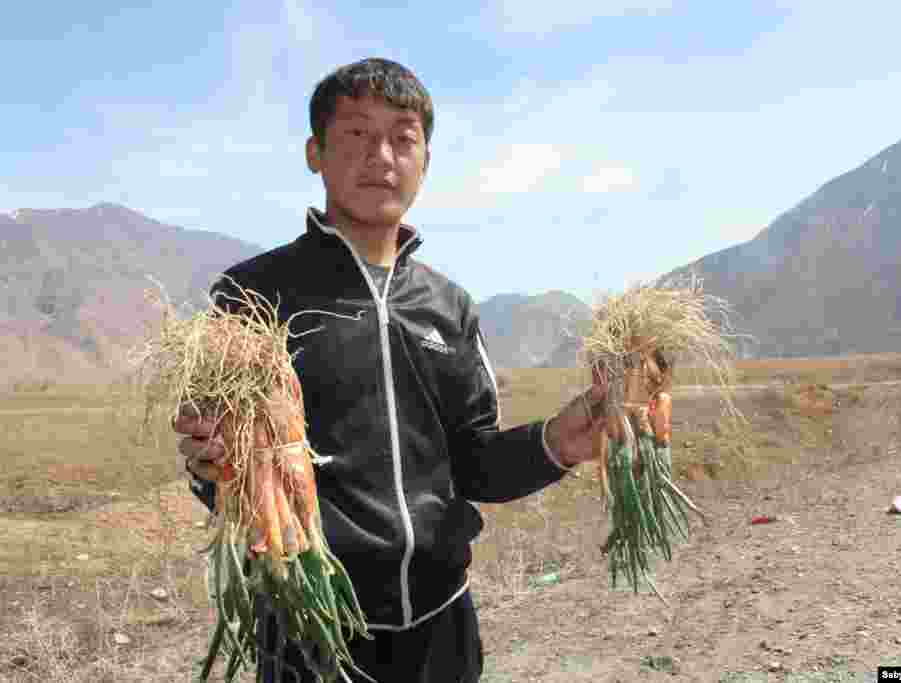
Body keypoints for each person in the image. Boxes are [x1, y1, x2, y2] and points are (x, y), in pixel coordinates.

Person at [173, 57, 609, 683]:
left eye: (403, 138)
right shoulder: (253, 297)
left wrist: (557, 444)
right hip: (311, 632)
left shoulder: (449, 307)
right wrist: (212, 465)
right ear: (315, 152)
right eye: (356, 133)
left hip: (442, 627)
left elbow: (475, 464)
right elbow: (223, 468)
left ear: (425, 161)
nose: (381, 156)